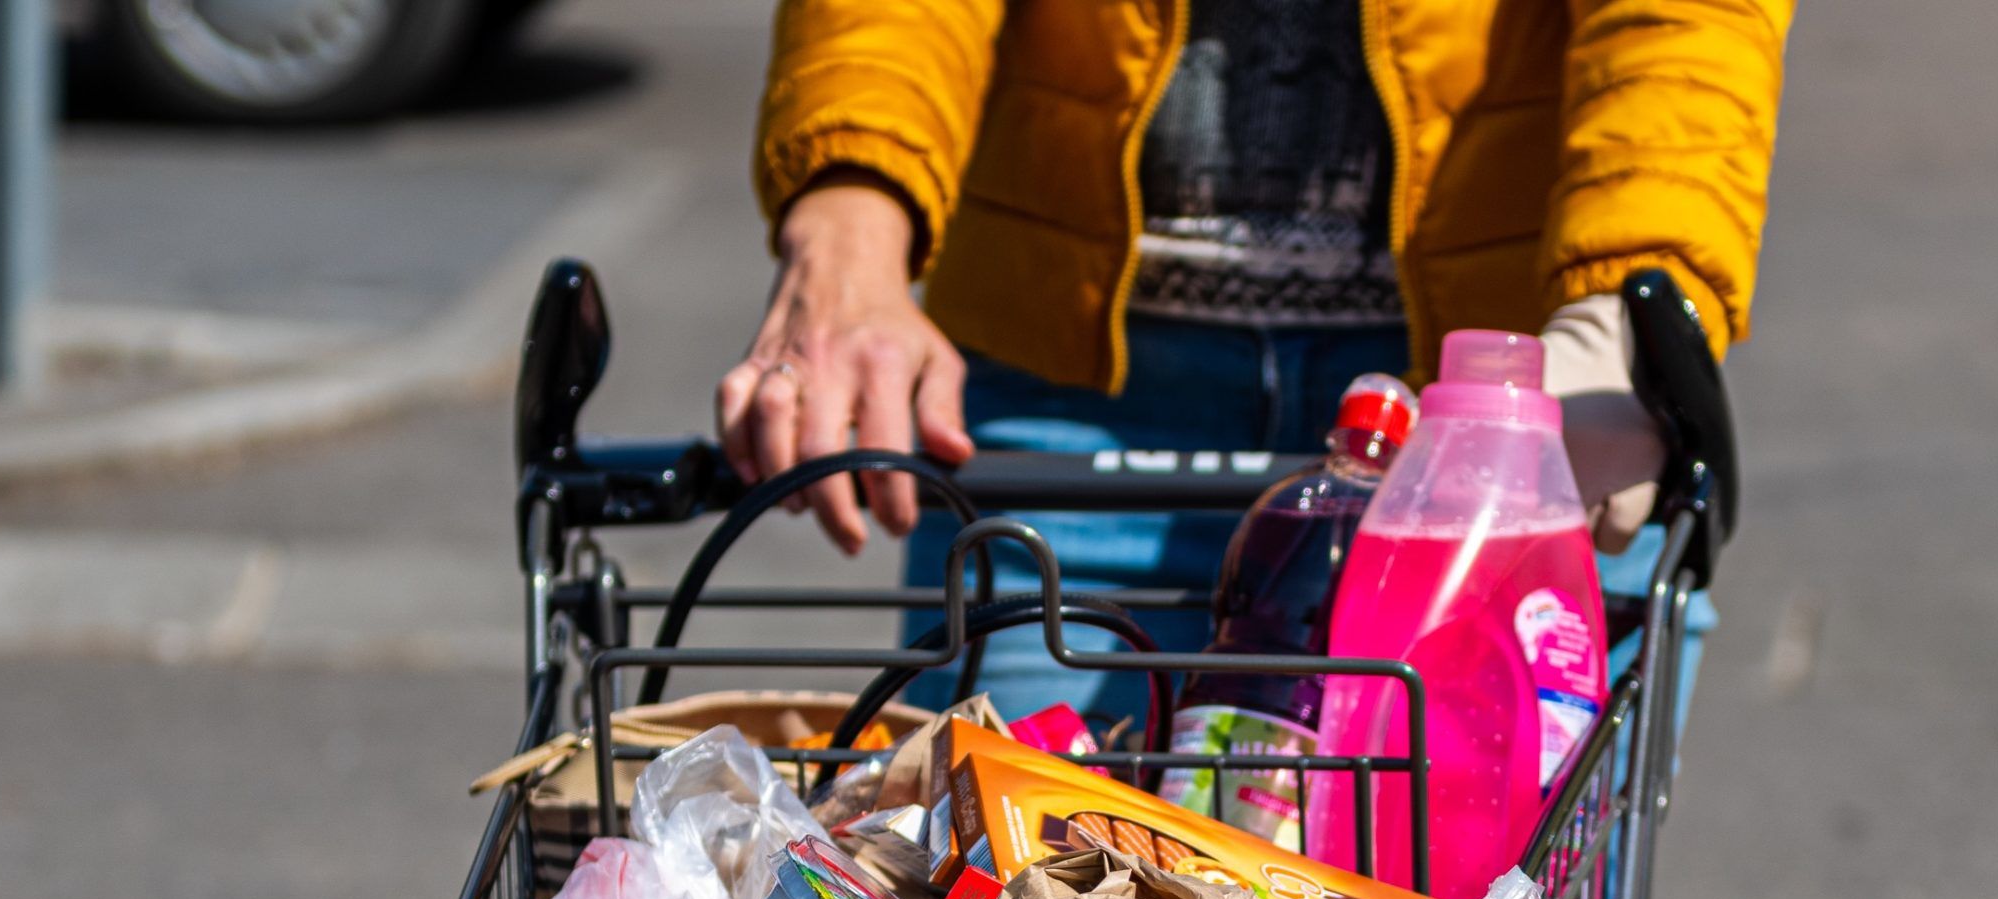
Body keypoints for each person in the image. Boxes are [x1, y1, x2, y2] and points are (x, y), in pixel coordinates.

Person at [710, 0, 1792, 733]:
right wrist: (850, 221)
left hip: (1499, 401)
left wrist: (1627, 304)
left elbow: (1685, 31)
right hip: (1077, 391)